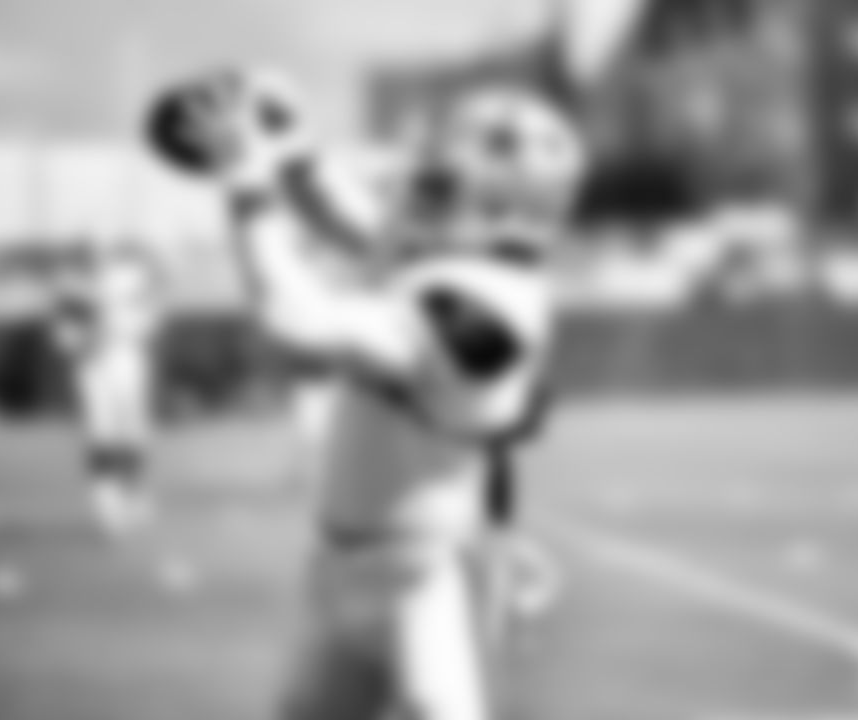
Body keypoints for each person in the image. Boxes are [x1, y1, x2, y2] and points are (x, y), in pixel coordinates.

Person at [145, 68, 584, 720]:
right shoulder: (463, 256)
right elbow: (352, 217)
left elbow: (295, 319)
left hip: (426, 577)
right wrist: (291, 146)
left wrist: (245, 179)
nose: (415, 191)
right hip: (339, 566)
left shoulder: (489, 305)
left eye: (437, 184)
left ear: (503, 208)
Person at [50, 241, 164, 538]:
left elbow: (151, 312)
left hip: (127, 356)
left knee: (132, 430)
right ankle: (106, 501)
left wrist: (134, 324)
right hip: (93, 363)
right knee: (100, 431)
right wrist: (82, 339)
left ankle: (133, 490)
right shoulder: (72, 283)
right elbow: (63, 332)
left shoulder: (130, 275)